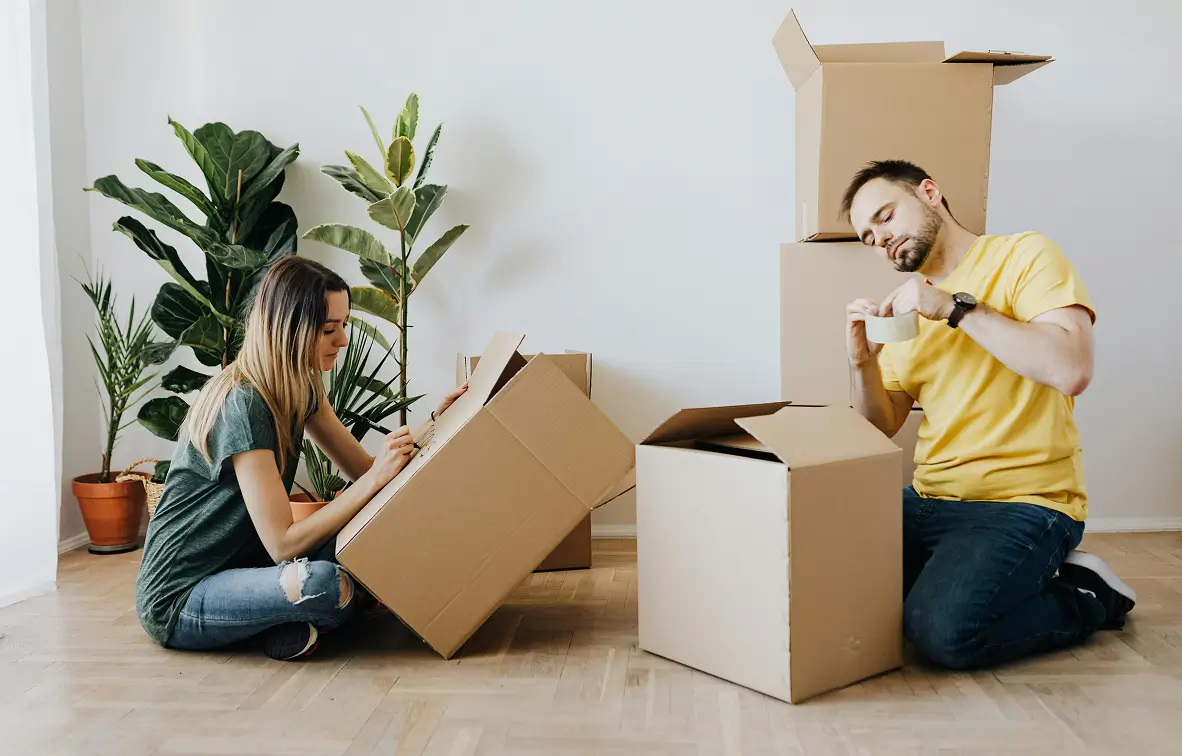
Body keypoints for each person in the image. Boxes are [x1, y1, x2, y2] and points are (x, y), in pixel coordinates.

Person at [840, 159, 1136, 670]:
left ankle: (1086, 594)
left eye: (885, 217)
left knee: (944, 633)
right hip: (926, 497)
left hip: (1023, 502)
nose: (880, 239)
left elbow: (1071, 369)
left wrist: (953, 308)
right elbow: (880, 425)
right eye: (869, 237)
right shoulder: (905, 311)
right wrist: (861, 364)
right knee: (826, 582)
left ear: (929, 192)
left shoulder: (1024, 255)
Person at [134, 257, 468, 661]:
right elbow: (282, 543)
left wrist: (435, 422)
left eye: (344, 325)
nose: (342, 340)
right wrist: (373, 481)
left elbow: (368, 470)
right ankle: (303, 608)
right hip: (181, 597)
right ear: (288, 329)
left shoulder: (302, 386)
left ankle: (293, 616)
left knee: (372, 537)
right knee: (324, 583)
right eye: (329, 329)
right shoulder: (244, 402)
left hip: (249, 569)